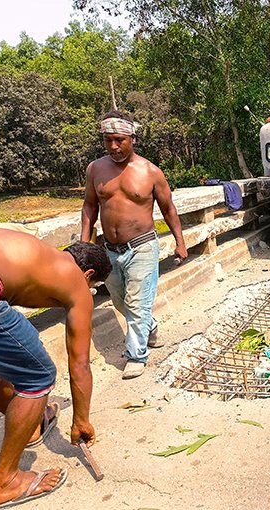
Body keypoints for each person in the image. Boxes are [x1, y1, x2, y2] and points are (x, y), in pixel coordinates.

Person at [0, 229, 112, 509]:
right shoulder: (75, 279)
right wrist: (81, 420)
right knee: (38, 377)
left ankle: (30, 428)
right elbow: (79, 363)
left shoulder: (34, 251)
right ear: (87, 274)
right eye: (94, 286)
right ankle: (6, 482)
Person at [81, 110, 189, 379]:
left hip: (142, 246)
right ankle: (150, 327)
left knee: (137, 303)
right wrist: (84, 245)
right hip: (110, 250)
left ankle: (136, 355)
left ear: (133, 138)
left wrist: (180, 242)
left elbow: (169, 209)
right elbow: (90, 205)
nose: (114, 146)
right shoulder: (95, 169)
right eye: (108, 141)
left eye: (119, 140)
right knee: (120, 301)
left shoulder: (150, 172)